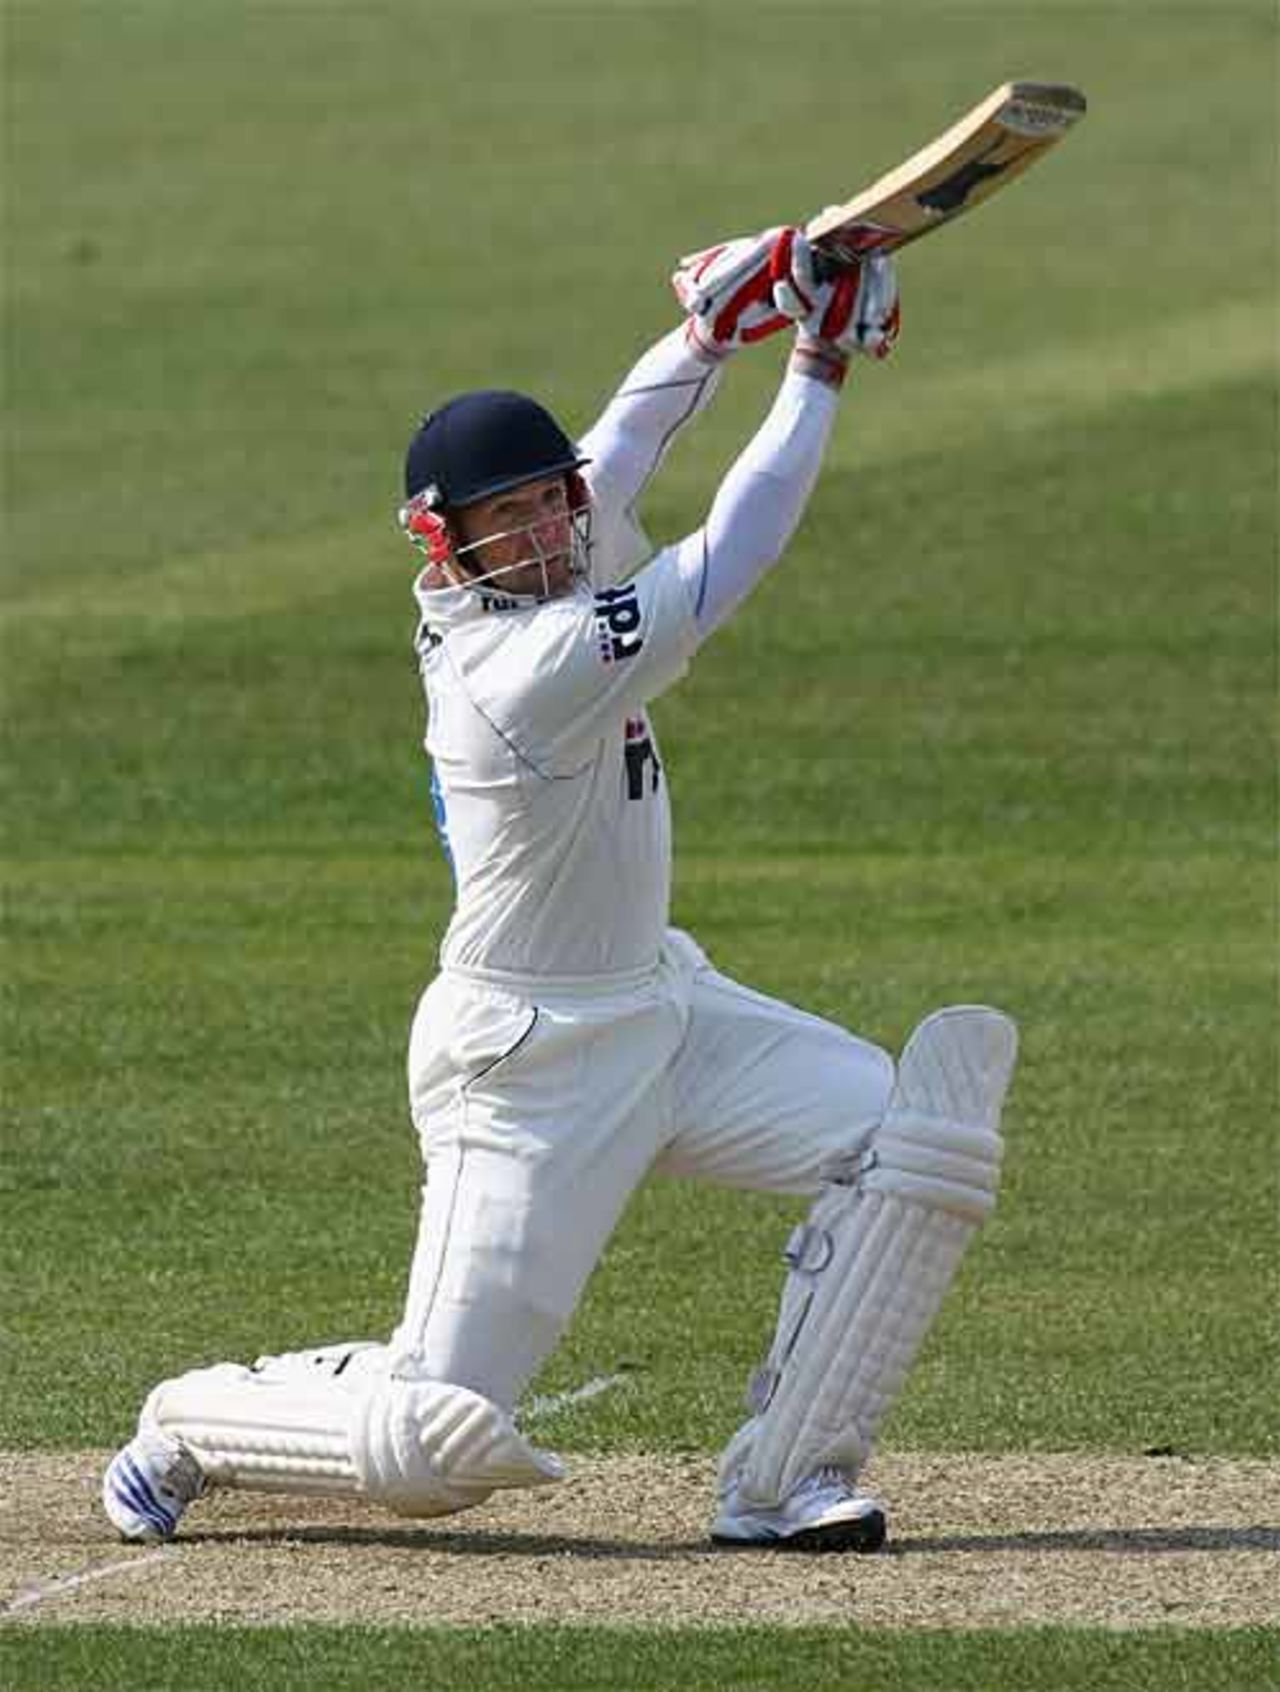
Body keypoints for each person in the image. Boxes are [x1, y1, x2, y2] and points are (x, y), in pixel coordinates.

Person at [103, 229, 1017, 1553]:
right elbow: (732, 551)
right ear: (444, 544)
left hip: (665, 1011)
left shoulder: (560, 544)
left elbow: (622, 449)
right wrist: (812, 359)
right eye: (506, 518)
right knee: (435, 1435)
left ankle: (784, 1482)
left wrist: (712, 333)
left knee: (914, 1143)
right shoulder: (513, 675)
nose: (543, 530)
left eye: (548, 503)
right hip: (526, 1071)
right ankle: (185, 1424)